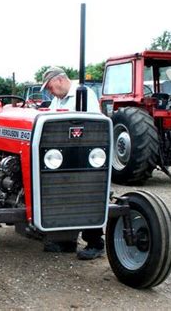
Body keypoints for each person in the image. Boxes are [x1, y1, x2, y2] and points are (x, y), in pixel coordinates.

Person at [40, 66, 104, 260]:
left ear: (59, 80)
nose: (49, 91)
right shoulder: (58, 99)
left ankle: (95, 242)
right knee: (61, 193)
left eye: (49, 86)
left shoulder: (84, 96)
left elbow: (93, 125)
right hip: (60, 153)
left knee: (86, 193)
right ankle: (65, 240)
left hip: (82, 152)